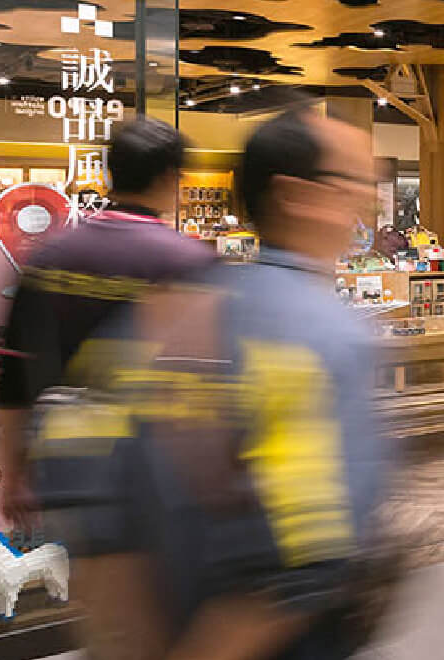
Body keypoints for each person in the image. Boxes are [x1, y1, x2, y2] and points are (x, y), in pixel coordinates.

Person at [63, 101, 389, 660]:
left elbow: (91, 508)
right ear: (295, 194)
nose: (366, 203)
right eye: (354, 184)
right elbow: (298, 568)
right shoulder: (324, 335)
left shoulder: (161, 316)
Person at [0, 117, 213, 522]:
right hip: (160, 468)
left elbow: (14, 378)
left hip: (68, 462)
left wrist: (14, 473)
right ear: (169, 176)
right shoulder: (190, 261)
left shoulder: (51, 256)